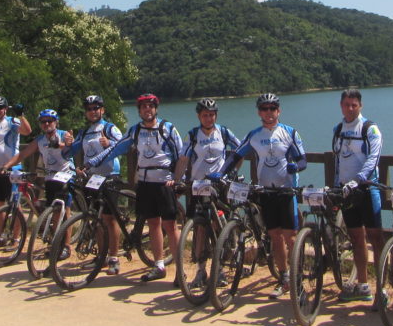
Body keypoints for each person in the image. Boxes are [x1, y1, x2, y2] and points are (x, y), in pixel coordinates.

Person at [210, 93, 307, 299]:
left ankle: (298, 279)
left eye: (272, 108)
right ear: (259, 112)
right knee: (275, 236)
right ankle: (284, 278)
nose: (268, 112)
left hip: (286, 191)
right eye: (264, 109)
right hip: (266, 192)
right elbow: (236, 155)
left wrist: (296, 167)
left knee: (291, 236)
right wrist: (221, 173)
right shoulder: (254, 135)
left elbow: (302, 160)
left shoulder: (289, 133)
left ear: (278, 111)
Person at [89, 93, 183, 283]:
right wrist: (92, 162)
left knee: (170, 226)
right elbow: (117, 148)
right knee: (153, 223)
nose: (147, 109)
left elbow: (182, 154)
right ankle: (159, 265)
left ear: (156, 109)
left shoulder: (167, 128)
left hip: (164, 182)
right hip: (145, 183)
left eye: (150, 106)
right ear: (139, 110)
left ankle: (180, 271)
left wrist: (180, 179)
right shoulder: (135, 131)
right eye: (143, 106)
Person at [173, 97, 241, 288]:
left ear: (216, 116)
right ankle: (201, 271)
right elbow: (183, 159)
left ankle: (220, 270)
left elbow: (240, 150)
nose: (208, 118)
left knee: (220, 226)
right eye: (205, 115)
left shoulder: (224, 132)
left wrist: (232, 172)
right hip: (198, 187)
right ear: (199, 116)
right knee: (200, 229)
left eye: (211, 115)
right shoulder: (193, 135)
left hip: (219, 187)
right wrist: (177, 182)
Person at [331, 88, 384, 303]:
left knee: (376, 239)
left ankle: (381, 289)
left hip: (367, 190)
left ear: (360, 106)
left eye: (354, 105)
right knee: (355, 238)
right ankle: (363, 285)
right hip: (346, 191)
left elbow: (374, 158)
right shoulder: (338, 129)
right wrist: (336, 186)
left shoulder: (370, 128)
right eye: (346, 105)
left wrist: (358, 180)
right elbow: (338, 161)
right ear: (341, 106)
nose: (350, 108)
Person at [3, 108, 76, 255]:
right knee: (54, 212)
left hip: (66, 175)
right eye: (43, 122)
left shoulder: (64, 134)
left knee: (64, 210)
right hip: (50, 177)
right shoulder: (40, 140)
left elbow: (71, 146)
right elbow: (23, 154)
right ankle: (56, 243)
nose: (46, 124)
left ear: (56, 122)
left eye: (50, 121)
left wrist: (63, 144)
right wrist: (6, 166)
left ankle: (66, 246)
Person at [72, 95, 124, 274]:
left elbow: (123, 145)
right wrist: (66, 144)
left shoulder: (110, 128)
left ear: (102, 110)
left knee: (109, 218)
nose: (92, 111)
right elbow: (72, 150)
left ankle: (114, 257)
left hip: (110, 175)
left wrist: (110, 143)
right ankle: (102, 256)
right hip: (92, 178)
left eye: (96, 108)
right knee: (97, 218)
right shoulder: (85, 132)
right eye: (89, 109)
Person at [0, 95, 31, 246]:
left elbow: (27, 131)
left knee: (15, 205)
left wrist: (20, 115)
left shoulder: (12, 121)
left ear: (5, 109)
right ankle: (0, 236)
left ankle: (16, 238)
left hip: (11, 169)